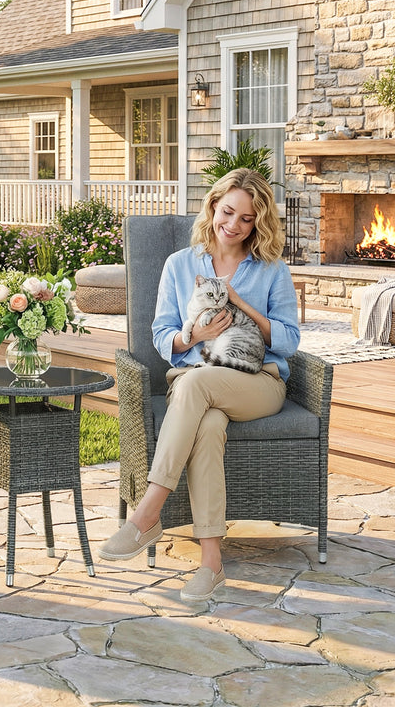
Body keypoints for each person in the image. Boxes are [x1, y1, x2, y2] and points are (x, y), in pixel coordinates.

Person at [98, 168, 300, 601]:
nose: (235, 225)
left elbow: (289, 340)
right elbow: (160, 334)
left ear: (257, 223)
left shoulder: (271, 270)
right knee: (206, 423)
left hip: (257, 382)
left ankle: (147, 512)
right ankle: (212, 563)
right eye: (228, 212)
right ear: (212, 207)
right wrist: (194, 337)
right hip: (194, 377)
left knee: (195, 387)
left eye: (247, 219)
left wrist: (241, 302)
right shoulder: (180, 264)